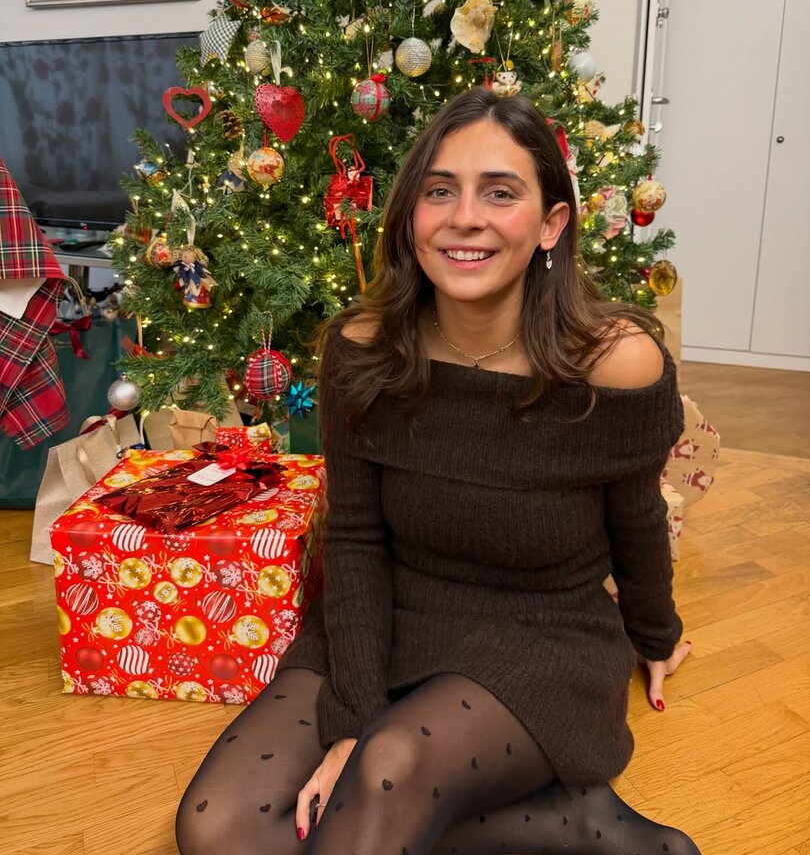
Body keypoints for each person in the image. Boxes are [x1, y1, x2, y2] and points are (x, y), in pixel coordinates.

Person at [176, 89, 698, 854]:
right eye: (440, 191)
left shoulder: (615, 361)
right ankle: (577, 827)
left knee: (389, 770)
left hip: (540, 633)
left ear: (551, 223)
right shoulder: (363, 350)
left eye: (501, 192)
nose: (465, 217)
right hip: (386, 617)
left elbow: (638, 518)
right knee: (218, 826)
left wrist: (655, 634)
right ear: (410, 217)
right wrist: (351, 724)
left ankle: (577, 821)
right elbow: (354, 539)